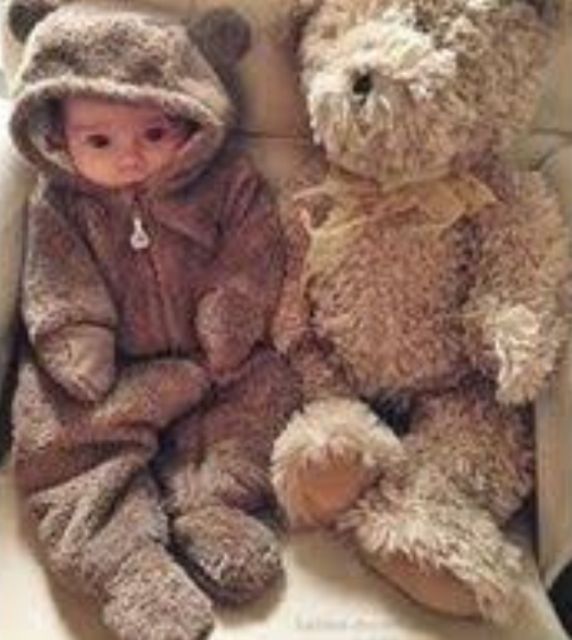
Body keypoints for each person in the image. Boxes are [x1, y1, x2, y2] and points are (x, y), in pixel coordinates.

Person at [7, 5, 299, 640]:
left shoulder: (227, 183)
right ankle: (129, 566)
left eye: (155, 133)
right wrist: (75, 336)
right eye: (100, 141)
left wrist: (231, 312)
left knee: (263, 400)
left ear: (191, 122)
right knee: (61, 440)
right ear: (57, 137)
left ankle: (214, 510)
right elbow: (55, 277)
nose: (131, 158)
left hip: (214, 362)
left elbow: (254, 250)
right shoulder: (62, 202)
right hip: (109, 376)